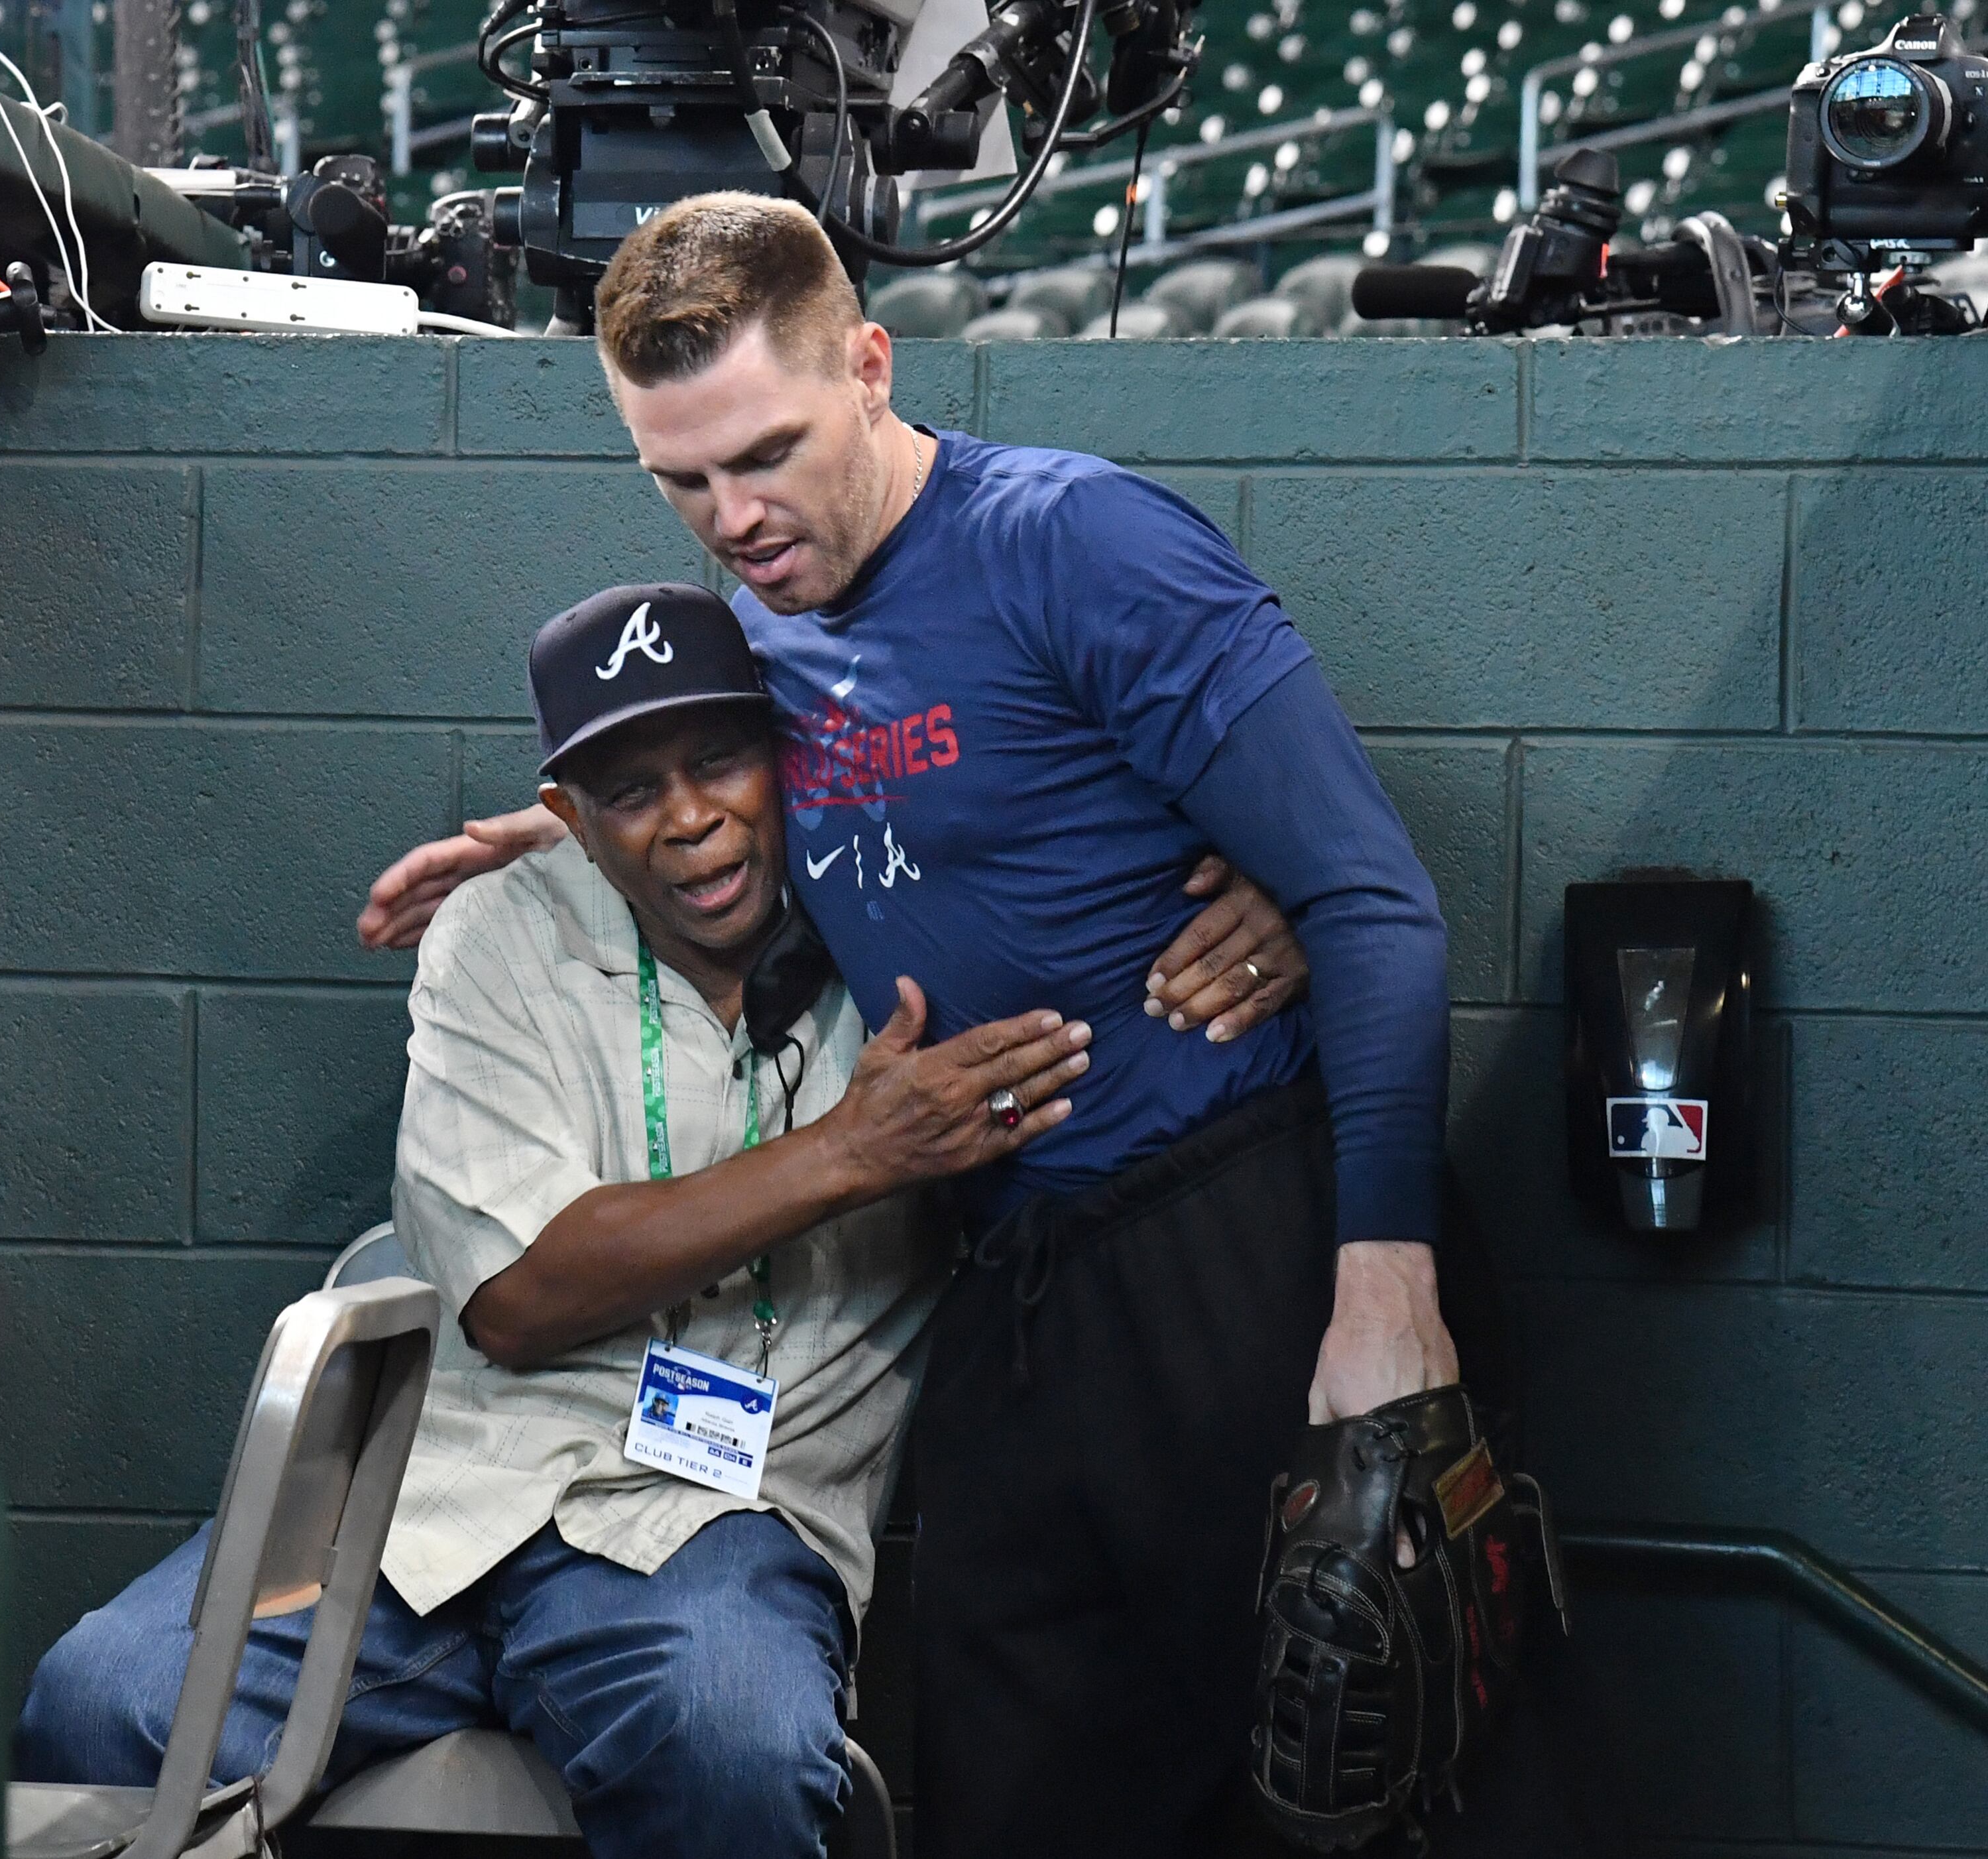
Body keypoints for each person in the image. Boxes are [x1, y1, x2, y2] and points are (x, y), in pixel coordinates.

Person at [355, 192, 1500, 1855]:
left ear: (873, 367)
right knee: (1007, 1787)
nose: (733, 517)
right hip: (1020, 1285)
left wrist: (1385, 1295)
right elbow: (799, 812)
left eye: (767, 452)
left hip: (1241, 1240)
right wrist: (562, 834)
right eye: (681, 478)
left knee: (1330, 1777)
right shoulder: (767, 624)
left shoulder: (1077, 543)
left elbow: (1376, 905)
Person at [17, 582, 1097, 1858]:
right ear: (571, 821)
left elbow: (1118, 873)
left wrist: (1278, 919)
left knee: (735, 1748)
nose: (692, 819)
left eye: (721, 762)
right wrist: (854, 1152)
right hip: (441, 1498)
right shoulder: (498, 934)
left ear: (788, 756)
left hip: (714, 1524)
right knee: (100, 1706)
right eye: (633, 794)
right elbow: (520, 1296)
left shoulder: (905, 918)